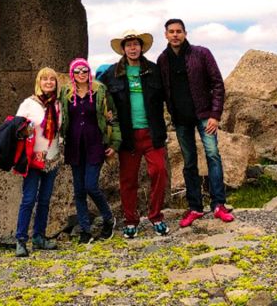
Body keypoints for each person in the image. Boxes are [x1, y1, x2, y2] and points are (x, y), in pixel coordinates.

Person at [157, 18, 235, 227]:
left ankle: (219, 204)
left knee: (212, 155)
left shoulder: (201, 53)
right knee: (189, 162)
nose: (175, 35)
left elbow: (217, 84)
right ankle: (195, 207)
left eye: (179, 31)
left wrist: (215, 115)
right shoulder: (163, 60)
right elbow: (163, 90)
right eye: (171, 31)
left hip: (204, 115)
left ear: (185, 33)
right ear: (165, 35)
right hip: (181, 120)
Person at [97, 30, 169, 238]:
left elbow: (168, 95)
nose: (133, 48)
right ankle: (131, 220)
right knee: (128, 180)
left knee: (159, 172)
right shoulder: (112, 73)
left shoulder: (154, 71)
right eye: (128, 45)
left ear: (141, 47)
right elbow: (100, 98)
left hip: (152, 132)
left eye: (136, 44)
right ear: (123, 49)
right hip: (127, 136)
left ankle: (156, 216)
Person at [60, 57, 121, 243]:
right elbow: (59, 115)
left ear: (89, 72)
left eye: (84, 71)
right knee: (78, 190)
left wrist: (114, 144)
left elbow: (112, 118)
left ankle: (108, 218)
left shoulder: (100, 91)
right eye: (77, 71)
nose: (81, 74)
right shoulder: (66, 93)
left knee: (90, 186)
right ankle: (85, 230)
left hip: (95, 143)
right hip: (74, 145)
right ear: (72, 73)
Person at [14, 67, 63, 256]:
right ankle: (21, 239)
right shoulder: (28, 104)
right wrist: (27, 131)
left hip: (51, 158)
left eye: (52, 79)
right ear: (39, 82)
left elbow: (59, 130)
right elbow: (16, 129)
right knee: (28, 199)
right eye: (45, 79)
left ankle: (39, 236)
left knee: (44, 200)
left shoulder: (57, 105)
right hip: (33, 159)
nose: (49, 82)